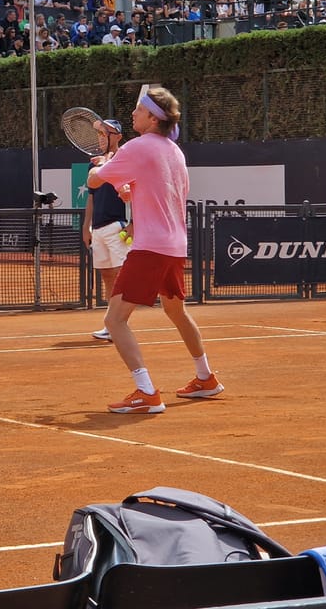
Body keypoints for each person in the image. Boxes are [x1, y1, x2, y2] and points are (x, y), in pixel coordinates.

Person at [86, 87, 223, 414]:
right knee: (176, 311)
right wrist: (130, 191)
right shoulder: (175, 152)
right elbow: (164, 191)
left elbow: (94, 181)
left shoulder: (136, 147)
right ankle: (205, 377)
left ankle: (146, 391)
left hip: (150, 248)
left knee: (115, 320)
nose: (132, 114)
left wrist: (101, 166)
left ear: (152, 117)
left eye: (138, 110)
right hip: (175, 247)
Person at [82, 119, 130, 342]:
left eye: (105, 133)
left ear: (118, 136)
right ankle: (113, 325)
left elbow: (135, 191)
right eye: (99, 133)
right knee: (107, 276)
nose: (101, 137)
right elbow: (91, 198)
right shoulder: (94, 165)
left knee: (122, 277)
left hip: (116, 226)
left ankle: (119, 324)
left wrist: (133, 223)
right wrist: (86, 226)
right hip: (98, 228)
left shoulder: (125, 159)